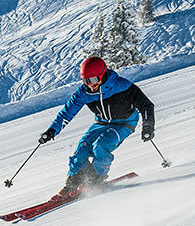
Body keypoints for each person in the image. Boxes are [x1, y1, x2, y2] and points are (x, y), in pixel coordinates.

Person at [38, 56, 155, 198]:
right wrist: (51, 131)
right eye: (85, 81)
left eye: (93, 80)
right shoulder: (84, 93)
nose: (90, 85)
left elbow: (146, 105)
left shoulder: (122, 86)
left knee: (101, 145)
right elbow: (66, 114)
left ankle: (96, 178)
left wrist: (148, 125)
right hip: (101, 122)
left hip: (124, 123)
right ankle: (73, 182)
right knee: (82, 148)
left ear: (102, 75)